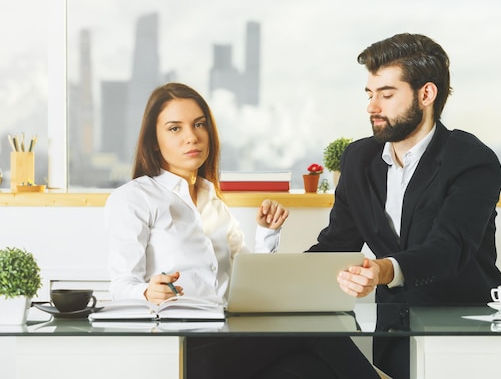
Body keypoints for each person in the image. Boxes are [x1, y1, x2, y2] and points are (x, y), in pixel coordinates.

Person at [104, 82, 380, 379]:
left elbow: (249, 284)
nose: (191, 137)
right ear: (154, 141)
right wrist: (148, 291)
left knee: (307, 369)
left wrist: (267, 233)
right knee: (312, 330)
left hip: (234, 338)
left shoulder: (215, 203)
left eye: (199, 125)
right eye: (175, 128)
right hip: (183, 349)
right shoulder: (133, 198)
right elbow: (121, 286)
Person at [307, 33, 501, 378]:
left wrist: (384, 270)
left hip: (468, 329)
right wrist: (280, 282)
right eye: (370, 94)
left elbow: (448, 248)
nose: (372, 107)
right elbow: (337, 244)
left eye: (386, 94)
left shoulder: (471, 160)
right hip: (398, 337)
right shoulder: (359, 158)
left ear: (426, 94)